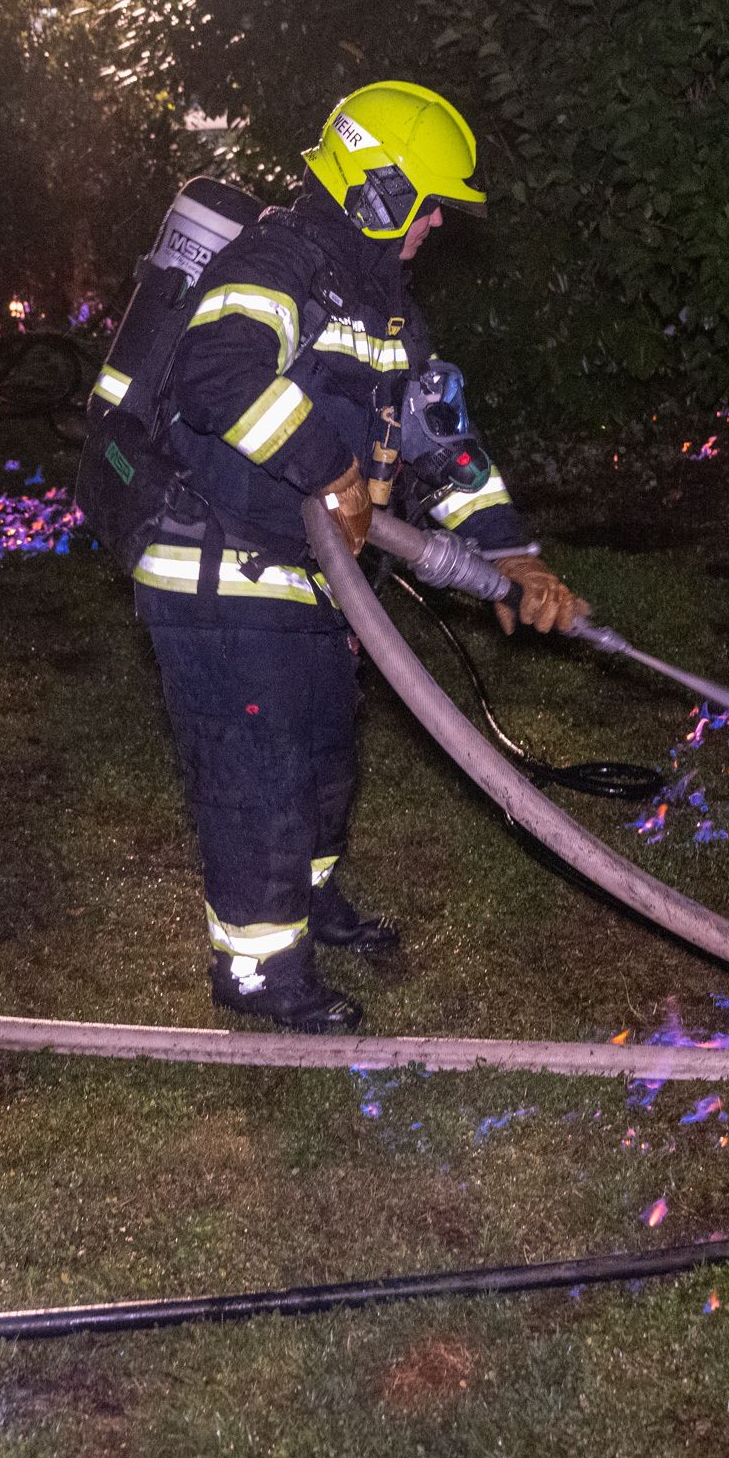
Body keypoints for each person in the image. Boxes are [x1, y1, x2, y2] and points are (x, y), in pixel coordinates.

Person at [134, 80, 587, 1034]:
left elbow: (440, 445)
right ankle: (258, 967)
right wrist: (330, 464)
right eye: (426, 203)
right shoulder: (278, 262)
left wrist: (515, 555)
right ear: (378, 190)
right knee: (258, 766)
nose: (434, 224)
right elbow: (219, 372)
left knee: (325, 755)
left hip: (310, 583)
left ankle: (306, 903)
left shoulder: (387, 309)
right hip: (216, 568)